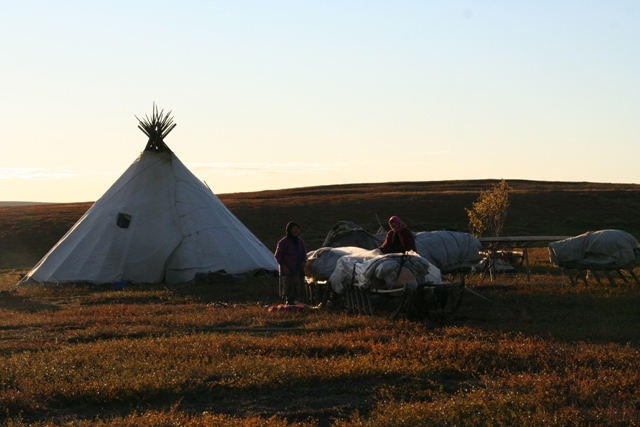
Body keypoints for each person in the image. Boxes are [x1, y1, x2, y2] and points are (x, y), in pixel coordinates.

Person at [274, 221, 308, 305]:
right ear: (289, 230)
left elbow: (304, 254)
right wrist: (284, 267)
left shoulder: (300, 242)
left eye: (297, 229)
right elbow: (278, 256)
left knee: (299, 288)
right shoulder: (283, 242)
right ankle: (289, 304)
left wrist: (303, 262)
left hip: (298, 270)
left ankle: (298, 304)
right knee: (288, 289)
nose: (296, 231)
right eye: (294, 229)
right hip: (287, 270)